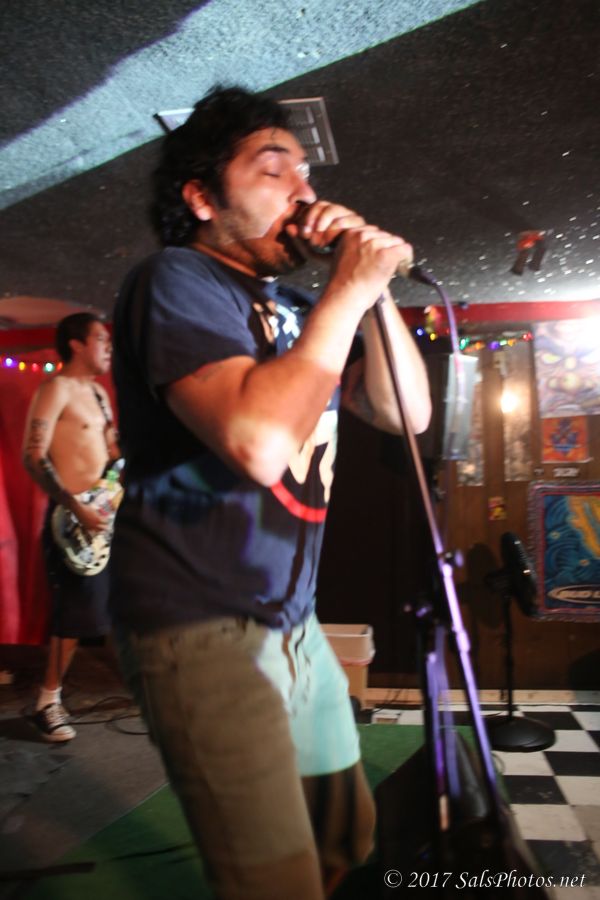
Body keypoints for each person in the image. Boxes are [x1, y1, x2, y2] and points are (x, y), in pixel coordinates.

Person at [110, 86, 431, 900]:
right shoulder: (176, 279)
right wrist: (346, 291)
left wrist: (372, 291)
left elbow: (406, 412)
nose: (305, 189)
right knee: (274, 880)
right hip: (198, 626)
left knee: (344, 833)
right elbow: (257, 443)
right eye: (273, 167)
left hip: (293, 625)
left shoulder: (295, 308)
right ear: (201, 196)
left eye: (305, 170)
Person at [22, 312, 120, 742]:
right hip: (72, 520)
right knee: (75, 616)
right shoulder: (56, 388)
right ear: (77, 344)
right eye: (100, 338)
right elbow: (34, 455)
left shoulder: (98, 393)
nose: (108, 346)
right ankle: (47, 702)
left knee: (113, 607)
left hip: (104, 516)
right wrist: (74, 505)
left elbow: (113, 455)